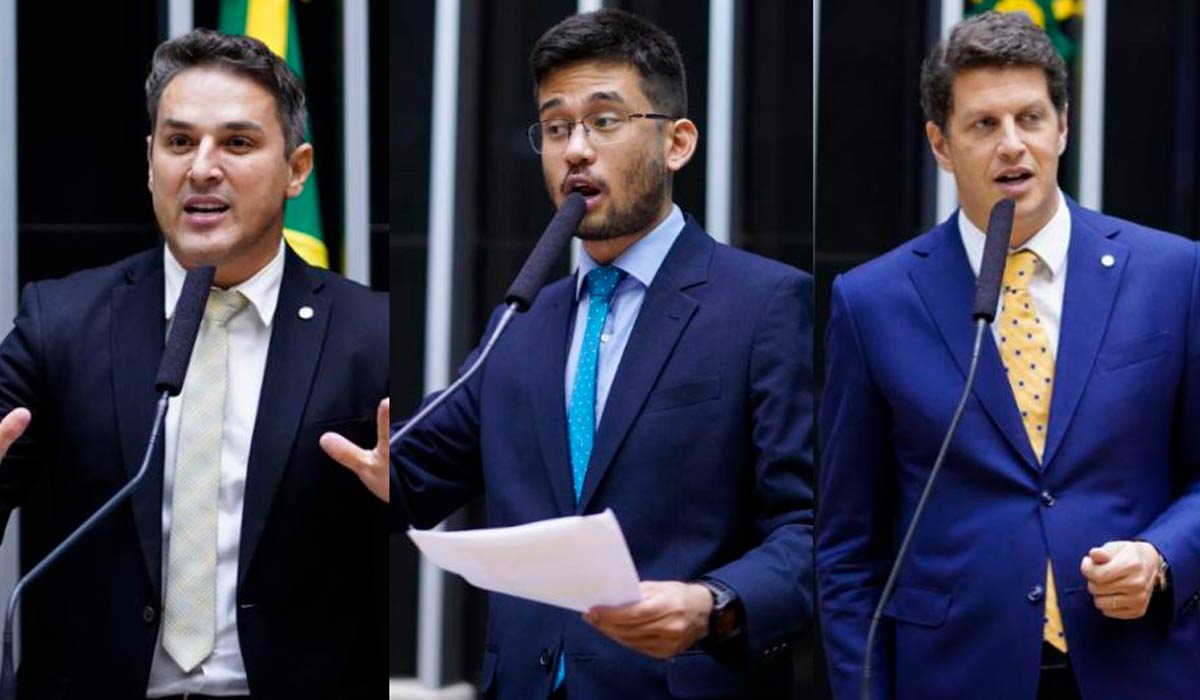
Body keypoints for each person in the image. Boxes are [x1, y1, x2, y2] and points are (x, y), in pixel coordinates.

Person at [377, 8, 812, 700]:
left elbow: (811, 528)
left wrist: (716, 603)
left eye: (604, 121)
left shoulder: (765, 306)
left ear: (678, 143)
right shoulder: (521, 322)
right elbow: (410, 471)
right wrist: (370, 463)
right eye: (556, 127)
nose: (576, 149)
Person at [818, 11, 1200, 700]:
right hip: (957, 674)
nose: (1012, 145)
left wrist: (1163, 555)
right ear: (940, 143)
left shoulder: (1172, 274)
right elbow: (849, 548)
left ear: (1063, 127)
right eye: (984, 125)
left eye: (1030, 118)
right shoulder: (872, 301)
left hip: (1139, 666)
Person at [0, 29, 388, 699]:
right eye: (179, 143)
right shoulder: (59, 322)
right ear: (151, 162)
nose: (202, 168)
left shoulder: (371, 334)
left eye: (237, 143)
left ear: (297, 168)